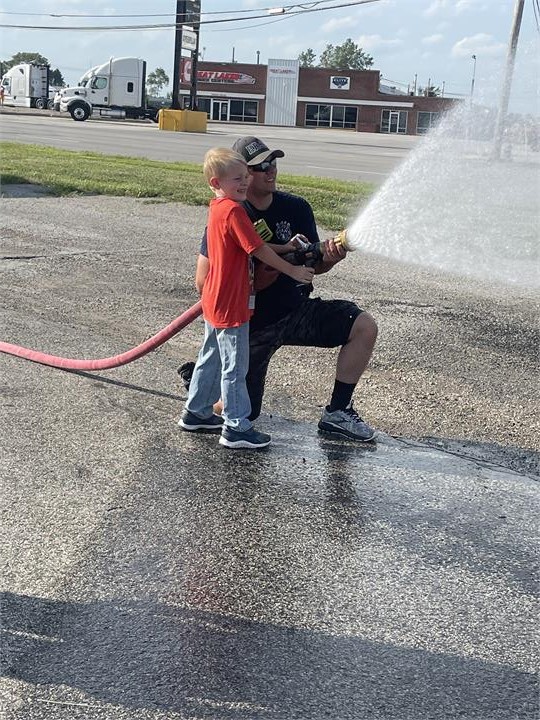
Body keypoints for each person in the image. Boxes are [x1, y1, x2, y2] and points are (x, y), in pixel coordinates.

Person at [182, 136, 378, 442]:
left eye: (273, 162)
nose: (270, 170)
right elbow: (202, 282)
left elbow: (313, 265)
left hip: (295, 310)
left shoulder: (296, 207)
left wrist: (329, 257)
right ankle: (210, 397)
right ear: (240, 174)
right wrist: (260, 278)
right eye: (260, 166)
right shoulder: (232, 212)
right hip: (251, 323)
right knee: (241, 407)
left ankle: (338, 413)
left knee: (363, 326)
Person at [178, 147, 314, 450]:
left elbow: (250, 243)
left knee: (211, 357)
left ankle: (196, 411)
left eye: (245, 176)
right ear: (216, 183)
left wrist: (287, 247)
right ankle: (236, 426)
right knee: (235, 366)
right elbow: (258, 250)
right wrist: (293, 270)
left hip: (215, 299)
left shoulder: (219, 208)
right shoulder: (235, 211)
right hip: (232, 303)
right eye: (237, 179)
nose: (245, 182)